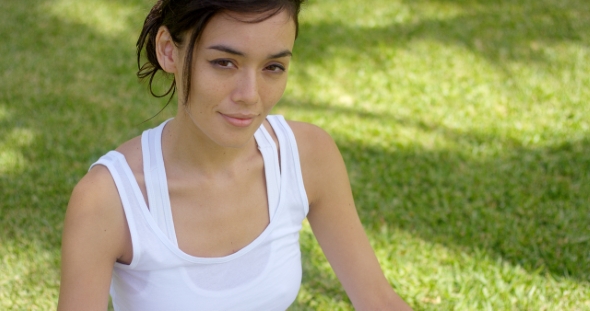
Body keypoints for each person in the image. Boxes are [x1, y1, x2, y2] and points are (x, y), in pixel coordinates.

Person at [57, 0, 412, 310]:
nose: (249, 95)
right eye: (225, 62)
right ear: (169, 50)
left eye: (273, 67)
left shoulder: (307, 157)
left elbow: (378, 301)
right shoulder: (109, 198)